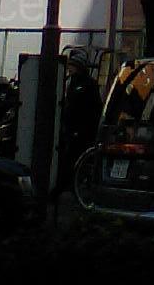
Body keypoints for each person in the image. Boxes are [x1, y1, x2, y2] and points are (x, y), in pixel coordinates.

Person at [56, 48, 103, 196]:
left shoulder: (85, 85)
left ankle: (63, 188)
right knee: (69, 158)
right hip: (74, 129)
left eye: (72, 65)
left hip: (80, 130)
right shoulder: (73, 82)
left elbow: (92, 109)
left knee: (71, 159)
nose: (69, 69)